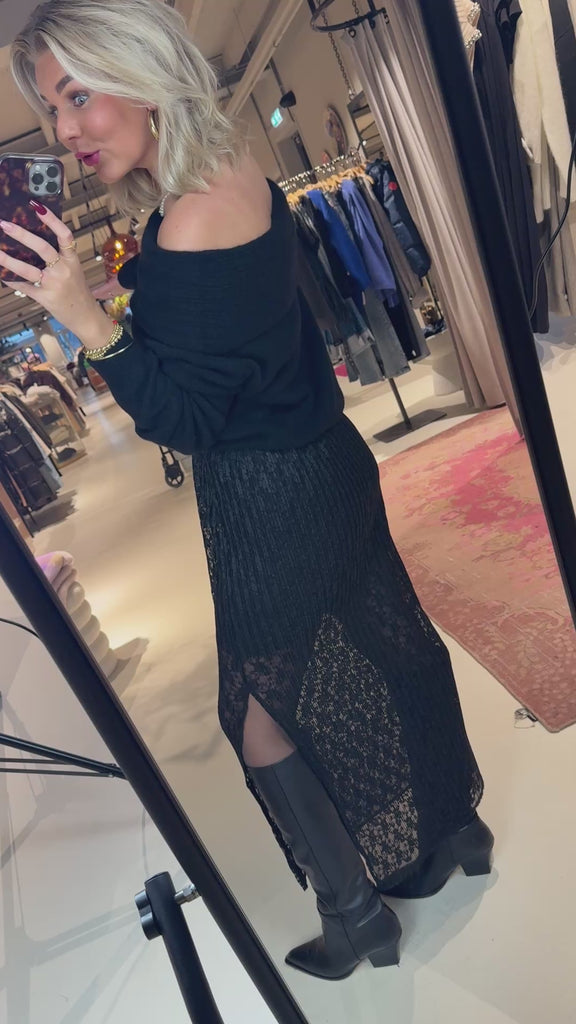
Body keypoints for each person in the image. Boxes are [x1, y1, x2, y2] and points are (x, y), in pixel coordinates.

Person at [6, 0, 493, 982]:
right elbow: (235, 351)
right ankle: (453, 827)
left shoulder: (187, 221)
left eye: (78, 95)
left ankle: (355, 917)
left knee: (259, 711)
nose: (63, 129)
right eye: (50, 108)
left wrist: (88, 321)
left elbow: (186, 418)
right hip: (325, 460)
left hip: (268, 494)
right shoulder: (228, 175)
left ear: (142, 75)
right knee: (387, 636)